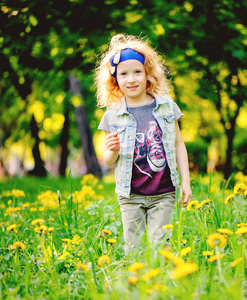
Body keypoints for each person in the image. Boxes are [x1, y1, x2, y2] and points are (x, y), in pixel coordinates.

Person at [94, 33, 193, 255]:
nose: (131, 79)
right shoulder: (113, 115)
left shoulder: (166, 107)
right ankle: (137, 284)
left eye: (137, 72)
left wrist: (185, 181)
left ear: (148, 74)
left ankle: (164, 284)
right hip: (131, 196)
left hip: (163, 192)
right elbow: (109, 160)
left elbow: (178, 145)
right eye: (124, 74)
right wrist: (112, 150)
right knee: (134, 249)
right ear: (115, 80)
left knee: (161, 246)